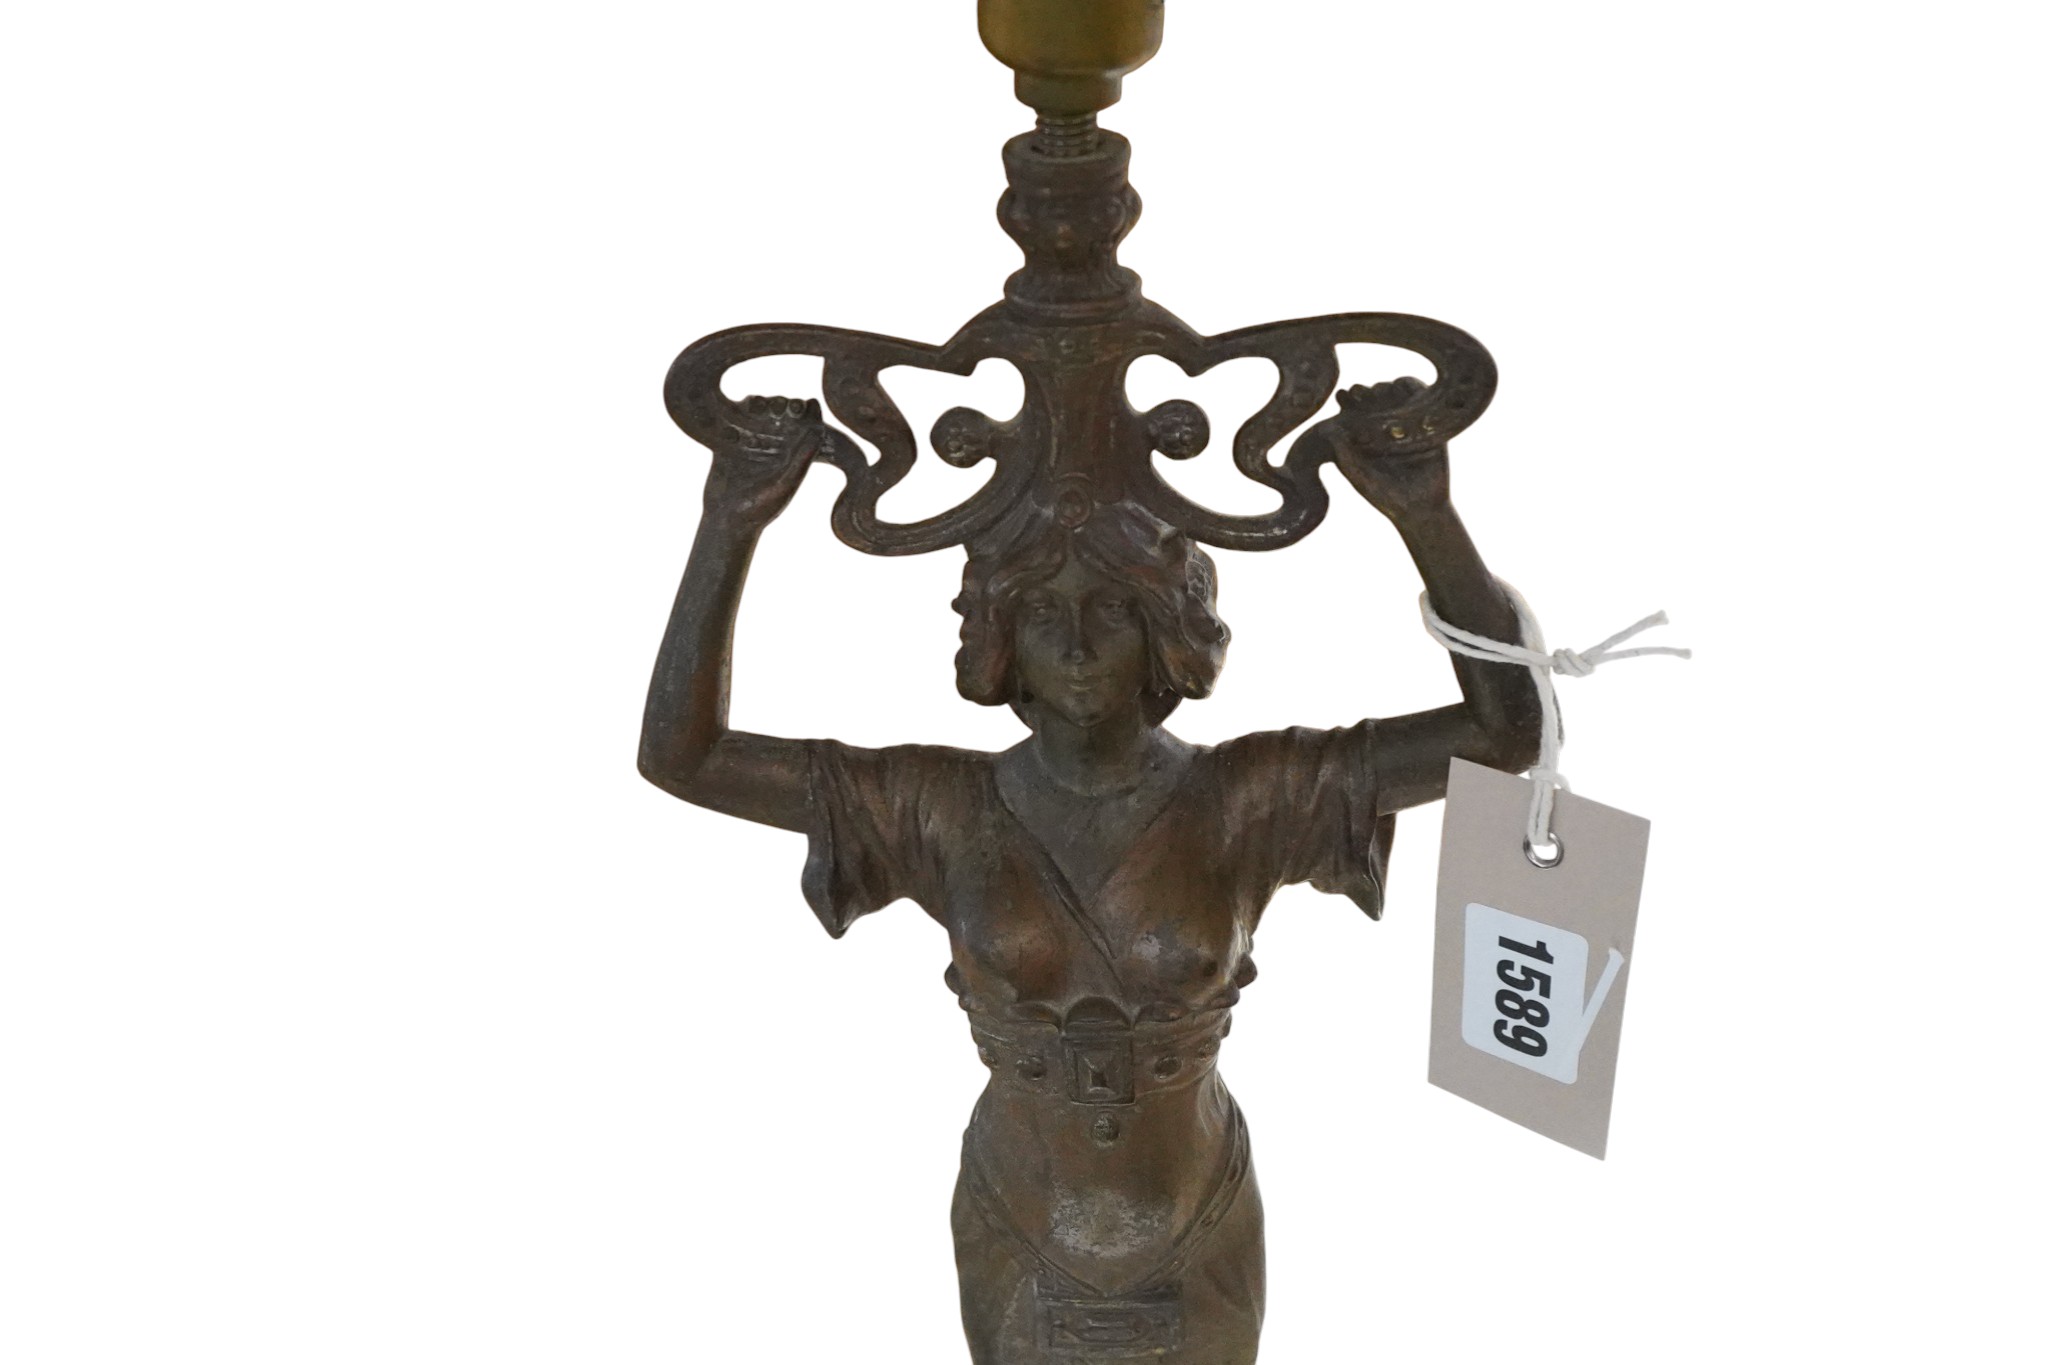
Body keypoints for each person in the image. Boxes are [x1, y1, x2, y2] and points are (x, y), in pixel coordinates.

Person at [639, 382, 1540, 1364]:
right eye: (1040, 613)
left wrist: (1423, 514)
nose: (1073, 646)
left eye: (1110, 607)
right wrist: (728, 521)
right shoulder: (938, 806)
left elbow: (1502, 734)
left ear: (1163, 622)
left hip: (1195, 1218)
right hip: (1021, 1219)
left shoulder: (1247, 799)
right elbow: (684, 757)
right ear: (1000, 635)